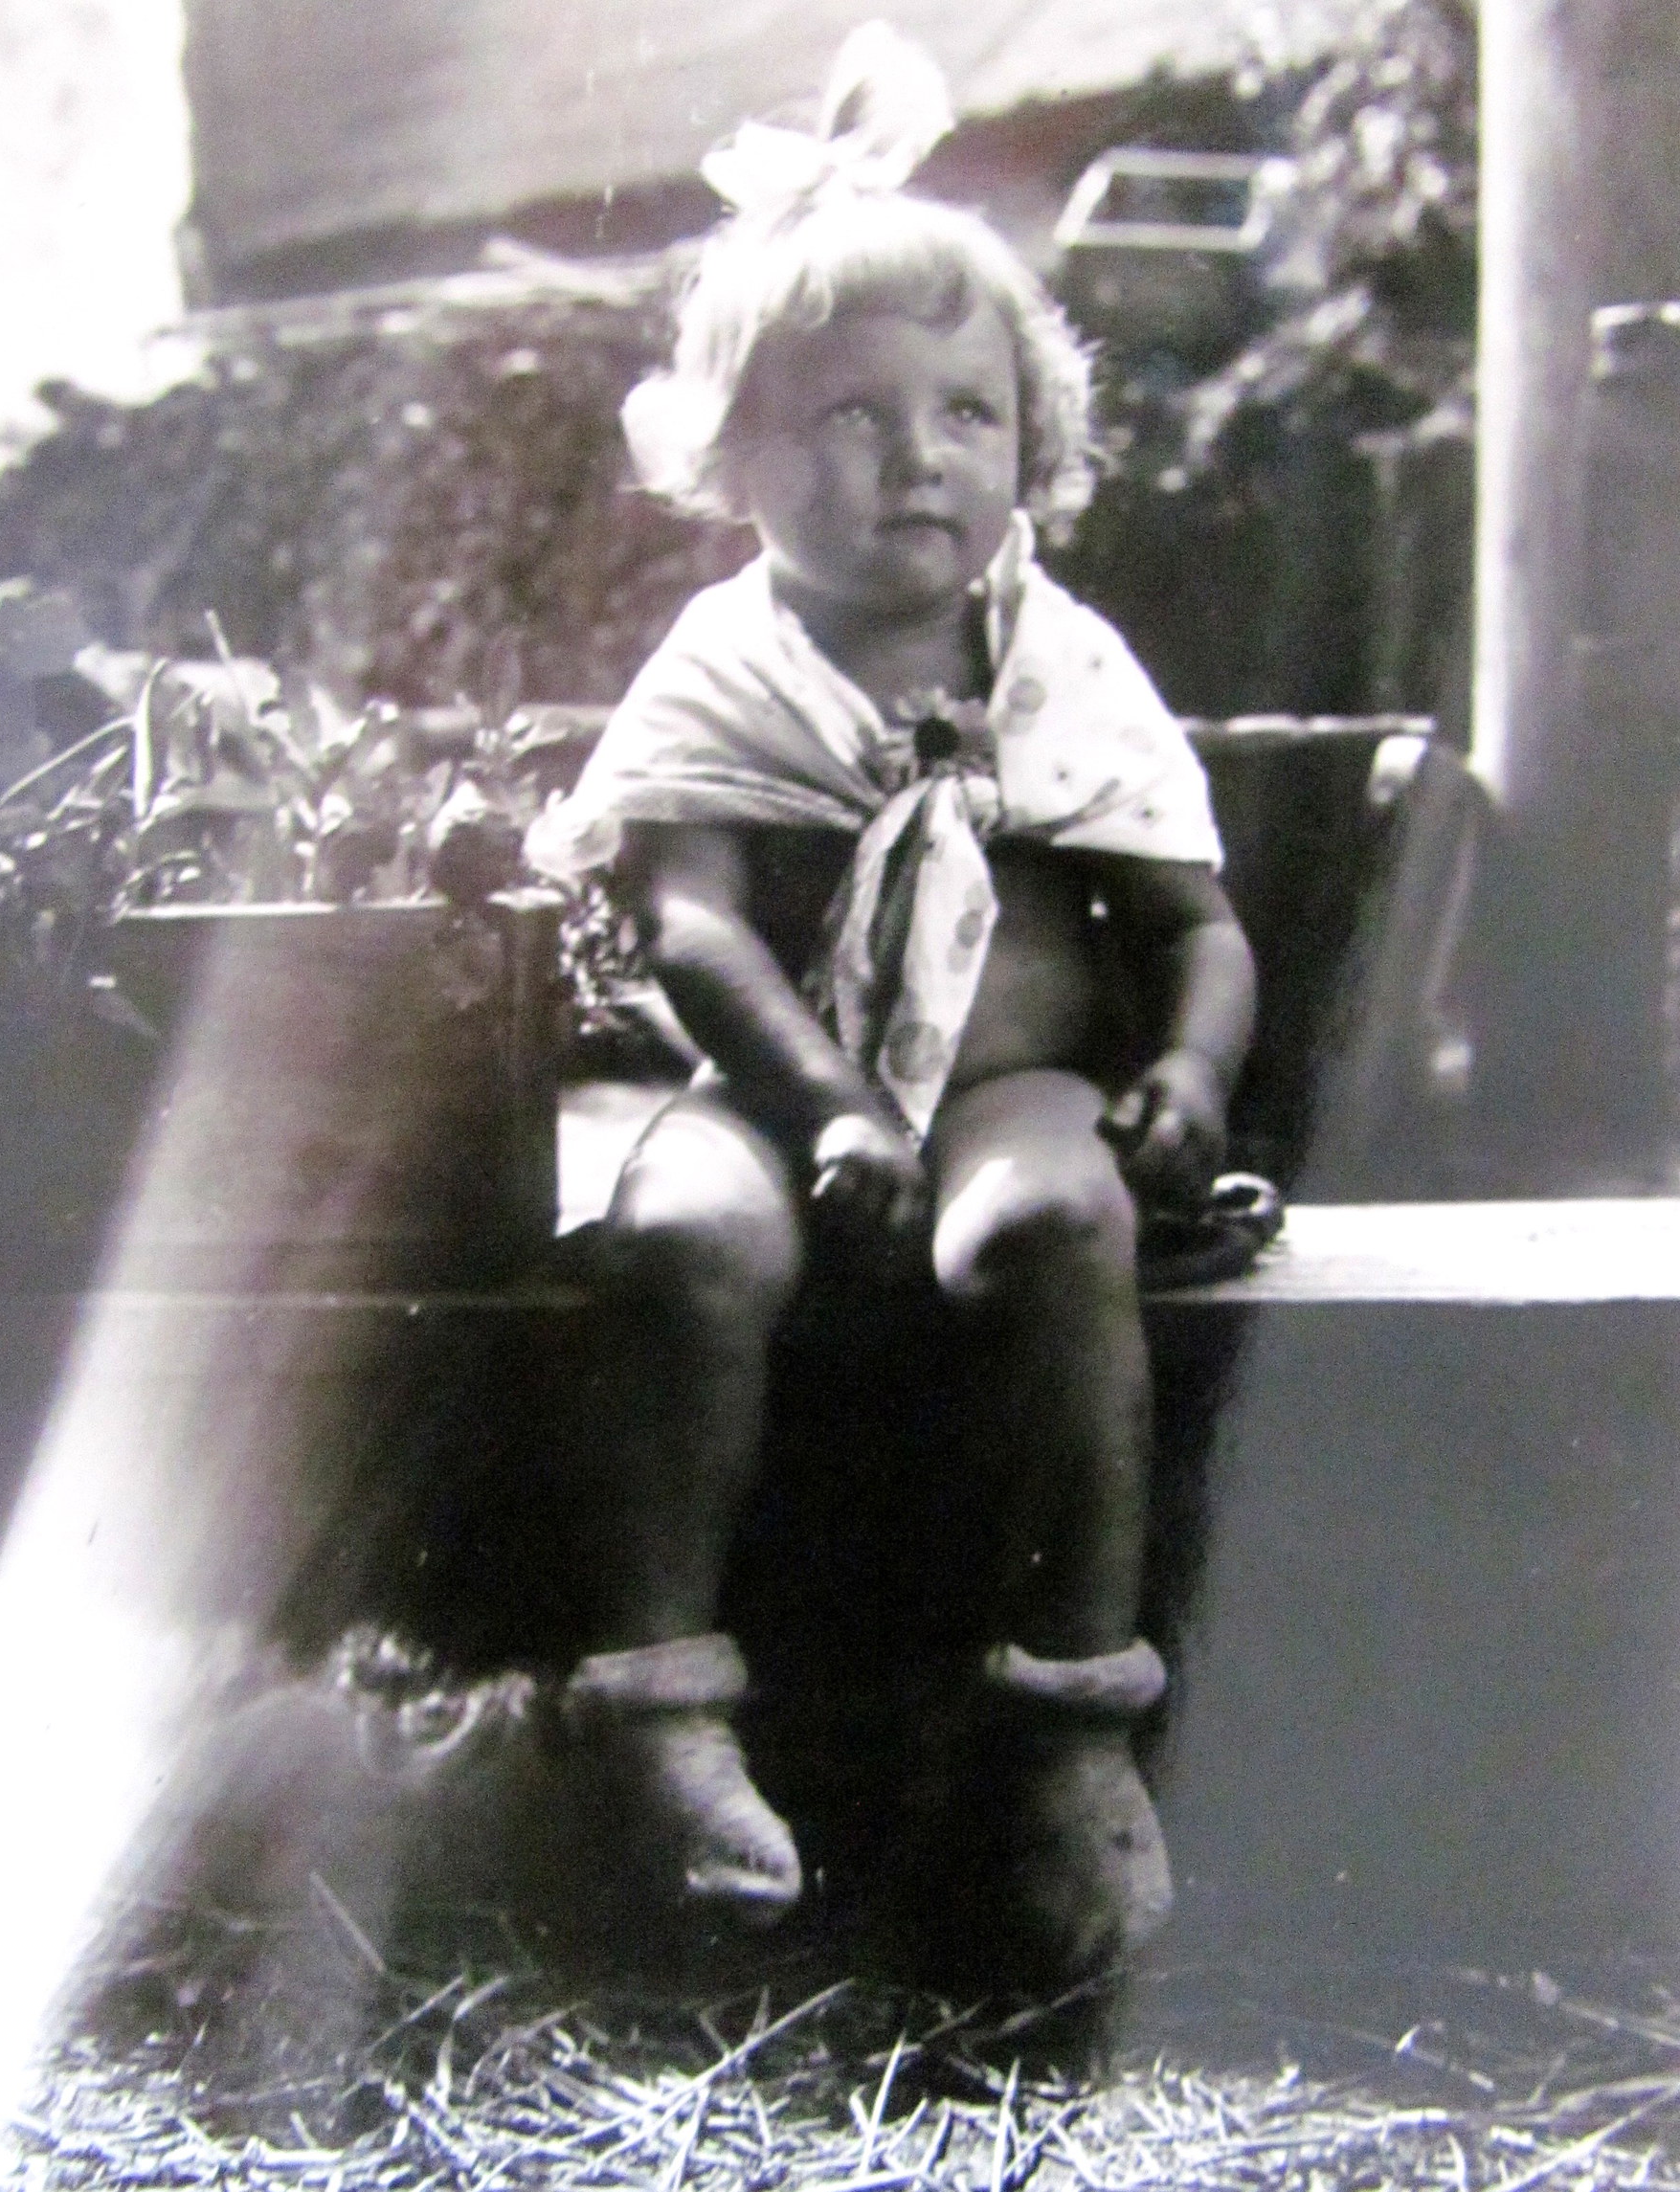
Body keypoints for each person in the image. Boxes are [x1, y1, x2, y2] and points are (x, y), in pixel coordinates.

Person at [525, 23, 1256, 1987]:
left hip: (1014, 1082)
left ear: (1032, 446)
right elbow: (693, 931)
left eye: (966, 413)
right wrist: (831, 1105)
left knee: (1054, 1222)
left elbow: (1192, 920)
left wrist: (1189, 1072)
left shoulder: (1061, 668)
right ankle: (668, 1708)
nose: (918, 456)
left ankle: (1068, 1727)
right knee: (679, 1240)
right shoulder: (726, 666)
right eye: (848, 415)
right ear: (732, 455)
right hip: (774, 1090)